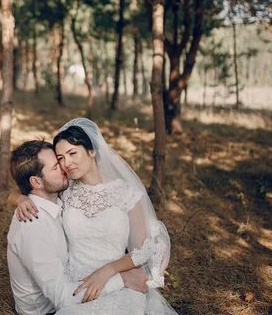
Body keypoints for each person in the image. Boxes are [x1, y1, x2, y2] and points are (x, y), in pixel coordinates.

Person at [11, 119, 177, 315]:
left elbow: (141, 252)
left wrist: (107, 270)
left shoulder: (127, 194)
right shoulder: (66, 189)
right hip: (75, 283)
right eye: (61, 158)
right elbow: (35, 191)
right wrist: (20, 199)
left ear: (92, 151)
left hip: (118, 279)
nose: (67, 164)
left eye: (72, 154)